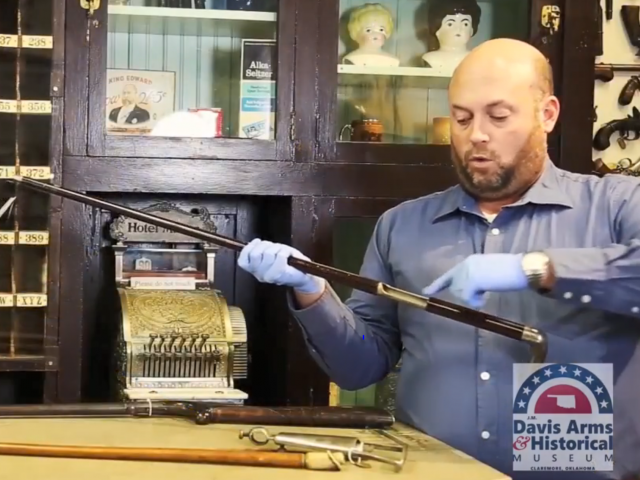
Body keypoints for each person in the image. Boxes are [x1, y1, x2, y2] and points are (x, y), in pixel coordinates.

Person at [237, 38, 640, 480]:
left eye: (499, 116)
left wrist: (536, 269)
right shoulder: (402, 226)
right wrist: (311, 289)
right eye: (462, 118)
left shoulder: (616, 205)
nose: (477, 134)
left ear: (547, 114)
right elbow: (359, 368)